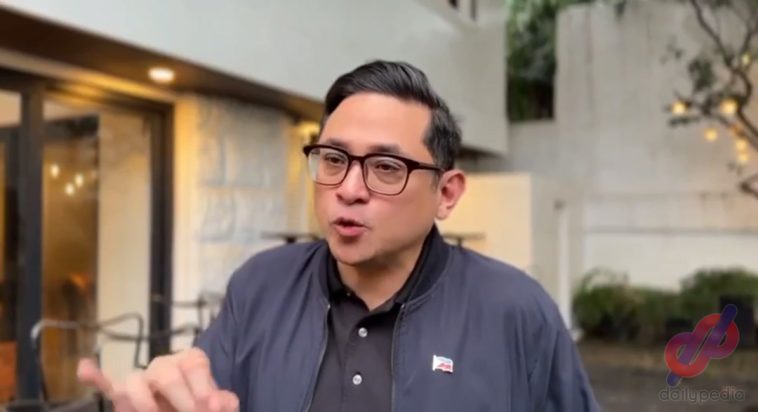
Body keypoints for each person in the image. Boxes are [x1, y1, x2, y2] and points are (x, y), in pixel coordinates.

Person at [78, 60, 600, 411]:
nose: (348, 189)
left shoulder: (517, 311)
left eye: (386, 167)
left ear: (446, 193)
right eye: (333, 159)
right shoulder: (261, 286)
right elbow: (200, 392)